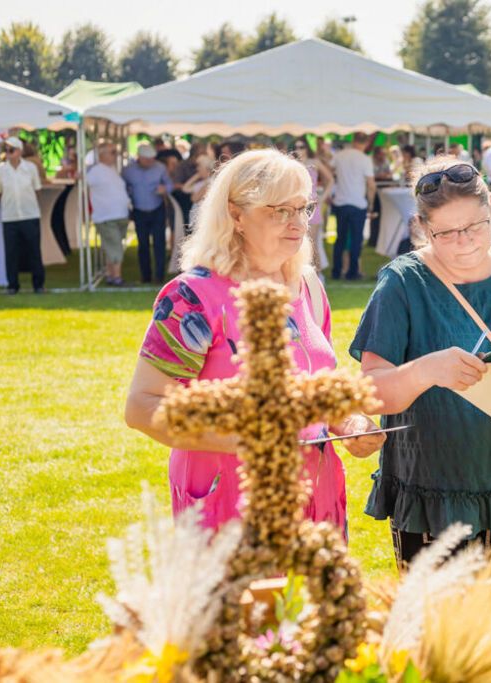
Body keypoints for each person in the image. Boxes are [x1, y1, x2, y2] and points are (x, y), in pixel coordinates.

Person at [124, 149, 385, 533]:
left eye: (303, 209)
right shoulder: (192, 297)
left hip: (314, 499)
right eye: (280, 210)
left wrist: (348, 421)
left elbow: (312, 385)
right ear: (235, 214)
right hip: (229, 505)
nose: (298, 223)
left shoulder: (308, 286)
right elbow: (142, 406)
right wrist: (246, 442)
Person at [349, 157, 491, 574]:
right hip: (430, 495)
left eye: (476, 226)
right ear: (421, 225)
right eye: (447, 233)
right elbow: (371, 392)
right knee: (436, 636)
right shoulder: (403, 282)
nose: (466, 241)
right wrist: (425, 371)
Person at [0, 136, 44, 295]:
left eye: (11, 150)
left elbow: (37, 190)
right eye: (6, 150)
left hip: (30, 215)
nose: (8, 153)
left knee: (34, 251)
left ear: (19, 151)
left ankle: (38, 285)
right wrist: (9, 204)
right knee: (11, 253)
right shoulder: (1, 170)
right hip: (10, 217)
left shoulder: (30, 168)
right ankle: (13, 285)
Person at [123, 143, 173, 283]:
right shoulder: (128, 170)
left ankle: (159, 276)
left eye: (152, 159)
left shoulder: (160, 168)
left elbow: (169, 184)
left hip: (157, 209)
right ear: (140, 158)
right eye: (148, 159)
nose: (151, 162)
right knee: (143, 244)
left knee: (159, 243)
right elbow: (123, 187)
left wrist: (165, 189)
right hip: (139, 210)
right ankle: (145, 276)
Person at [330, 132, 376, 281]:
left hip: (341, 201)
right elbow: (371, 184)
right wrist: (371, 203)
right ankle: (352, 272)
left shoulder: (340, 155)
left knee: (340, 239)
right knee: (356, 240)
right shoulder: (365, 159)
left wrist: (331, 192)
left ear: (353, 140)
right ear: (366, 142)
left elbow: (329, 173)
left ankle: (336, 271)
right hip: (358, 203)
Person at [87, 143, 132, 286]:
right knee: (115, 246)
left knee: (112, 245)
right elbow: (83, 181)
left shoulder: (111, 169)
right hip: (106, 216)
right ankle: (117, 277)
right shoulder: (95, 171)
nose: (116, 154)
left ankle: (111, 275)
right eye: (112, 152)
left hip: (117, 214)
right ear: (102, 155)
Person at [293, 138, 335, 275]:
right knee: (298, 240)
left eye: (302, 146)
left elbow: (330, 179)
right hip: (296, 206)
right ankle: (301, 271)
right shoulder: (292, 164)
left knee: (313, 241)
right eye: (296, 147)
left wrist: (323, 196)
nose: (299, 149)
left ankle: (317, 272)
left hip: (312, 206)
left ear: (307, 148)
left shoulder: (314, 162)